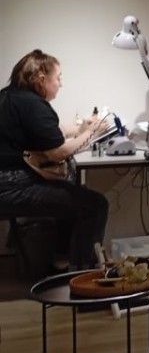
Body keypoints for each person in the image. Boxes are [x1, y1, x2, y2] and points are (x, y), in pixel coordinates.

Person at [0, 50, 109, 271]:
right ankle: (81, 274)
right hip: (11, 187)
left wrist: (81, 129)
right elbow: (57, 152)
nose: (61, 83)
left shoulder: (10, 96)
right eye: (58, 78)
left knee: (72, 191)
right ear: (42, 80)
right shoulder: (32, 105)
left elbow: (51, 132)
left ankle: (63, 260)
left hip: (8, 182)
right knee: (95, 205)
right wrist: (92, 132)